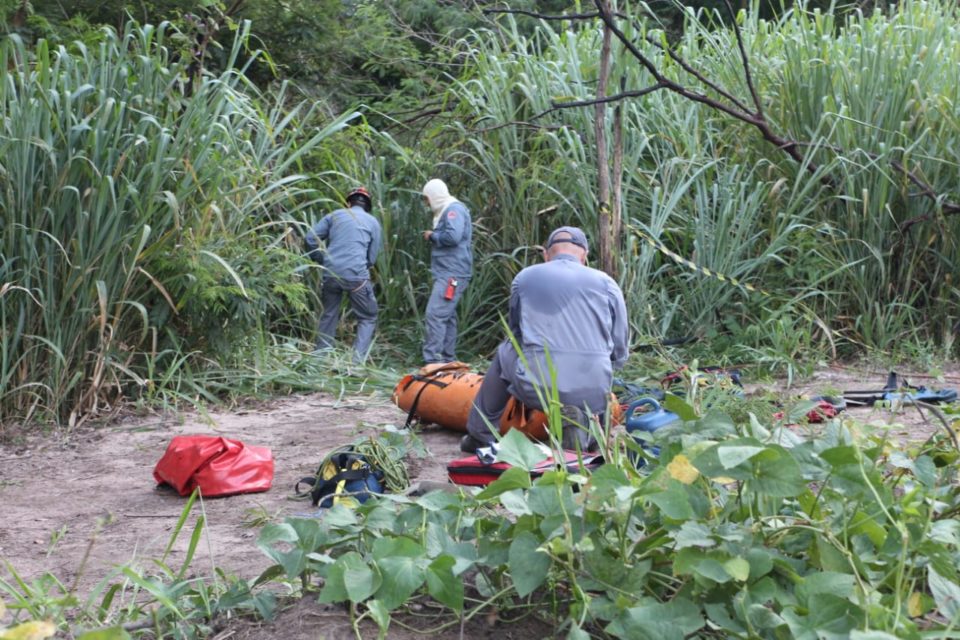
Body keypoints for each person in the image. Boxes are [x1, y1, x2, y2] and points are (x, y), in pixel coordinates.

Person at [462, 226, 629, 452]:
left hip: (538, 388)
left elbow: (517, 331)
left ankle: (480, 435)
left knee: (507, 349)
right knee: (599, 367)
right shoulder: (607, 283)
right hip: (594, 389)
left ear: (546, 254)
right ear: (585, 256)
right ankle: (586, 432)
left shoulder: (525, 277)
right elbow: (619, 347)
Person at [305, 186, 383, 363]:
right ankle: (356, 363)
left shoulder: (334, 216)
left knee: (329, 314)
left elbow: (310, 239)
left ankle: (319, 360)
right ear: (367, 206)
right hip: (357, 277)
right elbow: (371, 258)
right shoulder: (372, 222)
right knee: (368, 317)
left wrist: (323, 259)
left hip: (331, 273)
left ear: (348, 203)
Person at [421, 178, 473, 364]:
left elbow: (453, 236)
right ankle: (447, 360)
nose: (427, 203)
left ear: (434, 196)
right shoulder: (448, 210)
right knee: (447, 316)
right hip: (450, 272)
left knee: (435, 314)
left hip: (452, 273)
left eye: (427, 199)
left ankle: (432, 362)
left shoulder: (453, 210)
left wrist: (432, 236)